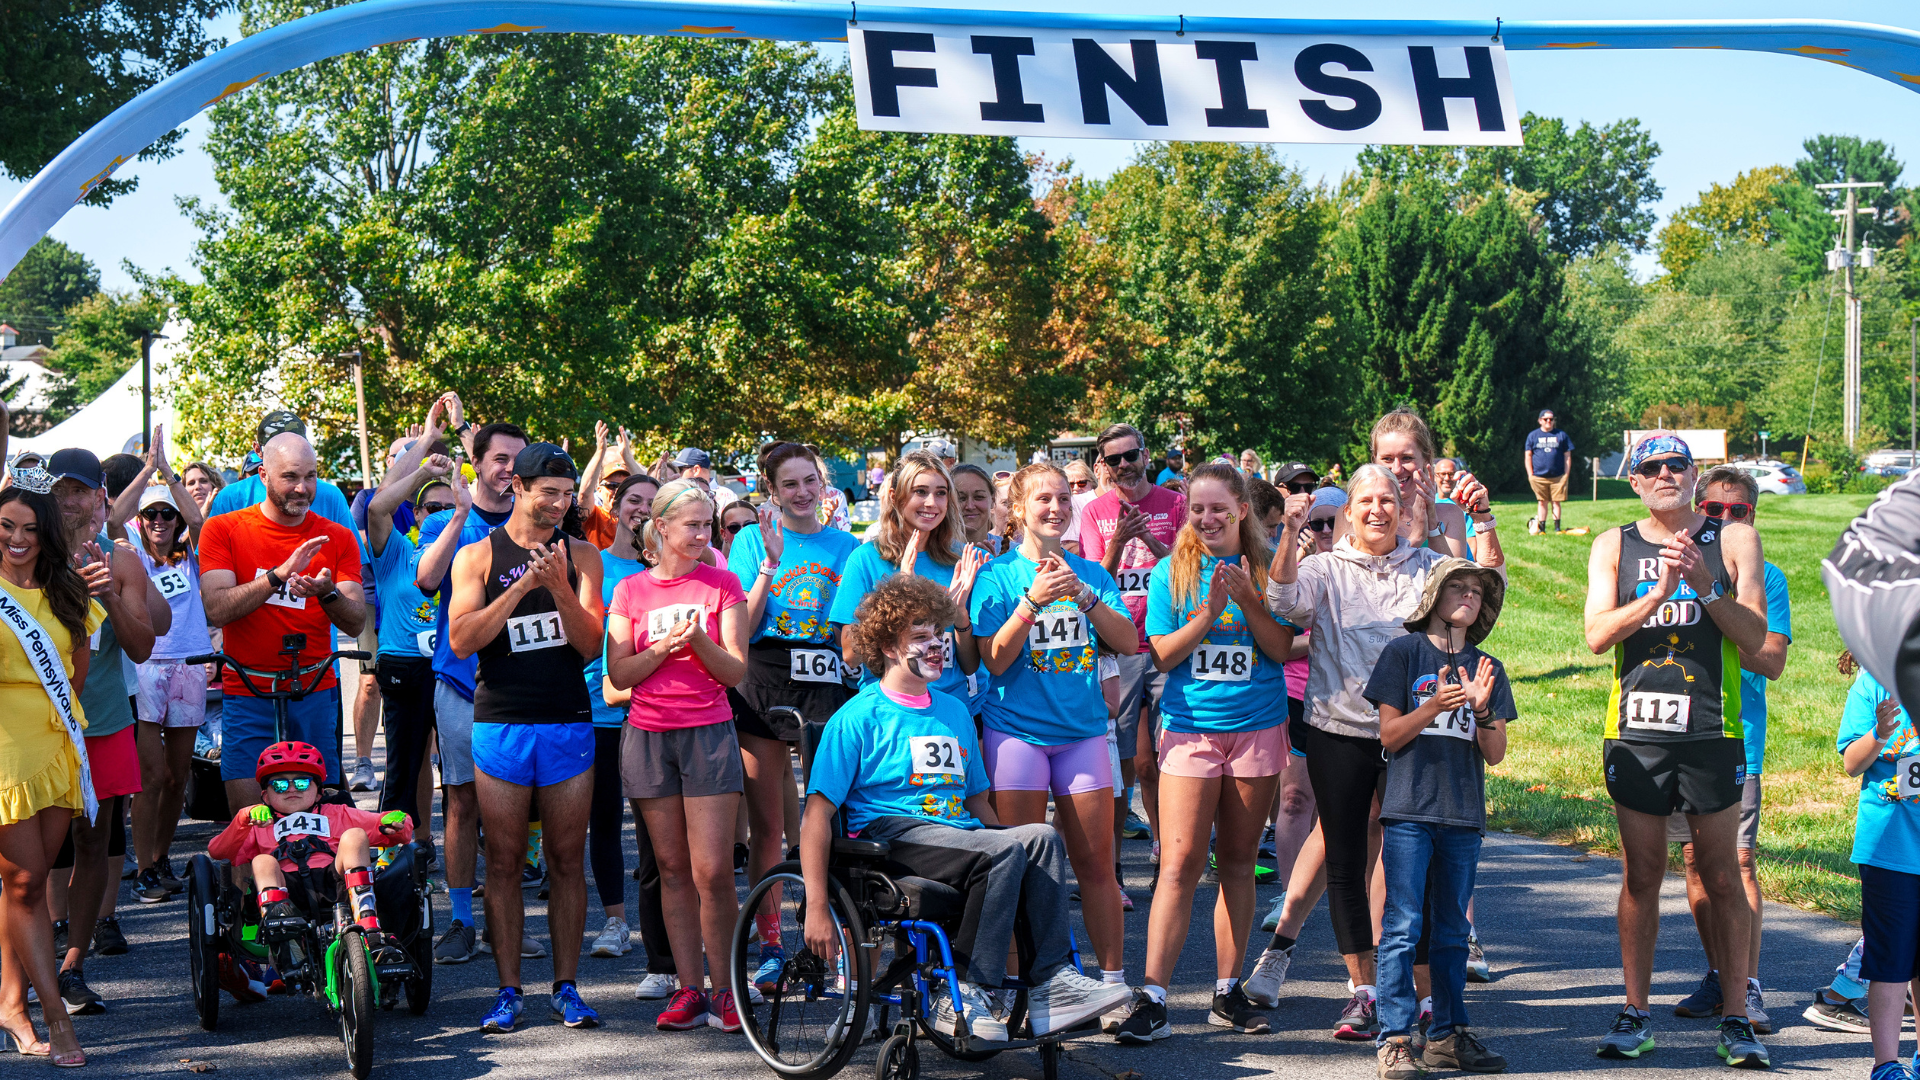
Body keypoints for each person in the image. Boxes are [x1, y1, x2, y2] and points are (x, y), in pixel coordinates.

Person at [803, 574, 1134, 1041]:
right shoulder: (858, 717)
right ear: (890, 648)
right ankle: (969, 988)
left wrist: (1014, 843)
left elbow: (979, 801)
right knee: (1000, 851)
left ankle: (1052, 985)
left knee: (1038, 837)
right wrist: (817, 904)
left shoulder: (955, 711)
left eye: (940, 633)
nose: (937, 645)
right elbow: (816, 814)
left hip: (958, 833)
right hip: (892, 835)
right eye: (921, 637)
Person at [1264, 463, 1503, 1041]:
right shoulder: (1322, 566)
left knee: (1411, 871)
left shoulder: (1427, 568)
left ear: (1403, 508)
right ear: (1348, 508)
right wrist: (1289, 534)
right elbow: (1283, 600)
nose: (1377, 510)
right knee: (1346, 862)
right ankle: (1363, 992)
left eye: (1388, 501)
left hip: (1413, 735)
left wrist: (1480, 518)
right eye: (1365, 500)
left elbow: (1485, 588)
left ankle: (1420, 998)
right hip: (1338, 730)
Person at [1583, 433, 1769, 1067]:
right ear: (1633, 481)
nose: (1665, 474)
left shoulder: (1733, 539)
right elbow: (1596, 636)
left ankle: (1738, 1016)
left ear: (1694, 476)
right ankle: (1636, 1010)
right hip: (1636, 734)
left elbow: (1756, 639)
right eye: (1651, 467)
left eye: (1677, 465)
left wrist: (1705, 586)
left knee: (1721, 875)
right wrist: (1658, 595)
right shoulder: (1615, 544)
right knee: (1641, 875)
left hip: (1712, 732)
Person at [1119, 464, 1294, 1042]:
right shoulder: (1173, 571)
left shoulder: (1268, 569)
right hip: (1192, 731)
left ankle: (1227, 991)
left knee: (1239, 862)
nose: (1208, 518)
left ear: (1242, 509)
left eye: (1220, 508)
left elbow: (1280, 648)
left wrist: (1250, 601)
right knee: (1181, 862)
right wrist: (1209, 611)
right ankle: (1152, 995)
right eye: (1198, 509)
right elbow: (1164, 655)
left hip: (1257, 729)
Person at [445, 443, 604, 1033]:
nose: (561, 505)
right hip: (501, 720)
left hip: (566, 718)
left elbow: (592, 645)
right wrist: (517, 588)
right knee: (505, 860)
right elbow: (463, 640)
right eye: (549, 494)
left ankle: (566, 987)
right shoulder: (477, 557)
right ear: (517, 486)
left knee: (566, 859)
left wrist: (559, 584)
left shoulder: (583, 554)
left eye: (567, 495)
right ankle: (508, 990)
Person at [971, 462, 1135, 1004]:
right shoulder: (996, 576)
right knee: (1017, 867)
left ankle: (1110, 987)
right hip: (1016, 736)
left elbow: (1128, 642)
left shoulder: (1093, 574)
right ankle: (1021, 988)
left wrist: (1086, 598)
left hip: (1083, 735)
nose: (1056, 508)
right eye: (1043, 499)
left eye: (1064, 498)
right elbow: (993, 662)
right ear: (1018, 508)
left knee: (1095, 866)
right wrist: (1031, 601)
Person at [606, 479, 750, 1032]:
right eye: (691, 524)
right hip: (648, 736)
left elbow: (734, 671)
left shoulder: (723, 583)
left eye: (707, 524)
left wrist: (699, 644)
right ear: (659, 527)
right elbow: (619, 674)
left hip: (708, 732)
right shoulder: (630, 591)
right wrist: (664, 647)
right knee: (670, 868)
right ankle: (690, 989)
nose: (702, 534)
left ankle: (728, 989)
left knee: (712, 870)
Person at [1367, 558, 1515, 1078]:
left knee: (1453, 929)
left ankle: (1448, 1034)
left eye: (1477, 591)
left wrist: (1479, 708)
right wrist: (1432, 706)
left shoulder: (1487, 665)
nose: (1470, 596)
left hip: (1462, 813)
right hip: (1408, 810)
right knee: (1403, 926)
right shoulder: (1403, 653)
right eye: (1459, 587)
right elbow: (1389, 736)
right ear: (1434, 596)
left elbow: (1494, 752)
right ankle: (1394, 1038)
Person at [725, 443, 861, 989]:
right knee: (770, 825)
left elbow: (853, 628)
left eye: (811, 481)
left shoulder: (849, 548)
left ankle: (827, 927)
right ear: (771, 490)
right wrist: (771, 566)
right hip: (765, 674)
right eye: (790, 485)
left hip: (828, 676)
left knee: (831, 812)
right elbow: (742, 627)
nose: (802, 493)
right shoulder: (751, 539)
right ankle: (772, 943)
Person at [1667, 467, 1790, 1033]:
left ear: (1753, 519)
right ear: (1698, 509)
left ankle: (1750, 986)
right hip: (1674, 735)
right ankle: (1721, 975)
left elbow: (1769, 660)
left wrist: (1716, 608)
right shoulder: (1663, 564)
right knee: (1695, 863)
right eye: (1713, 510)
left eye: (1737, 512)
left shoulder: (1769, 577)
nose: (1724, 520)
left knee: (1737, 863)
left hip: (1737, 737)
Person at [47, 447, 163, 1016]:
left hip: (105, 722)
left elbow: (142, 646)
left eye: (78, 490)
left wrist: (109, 595)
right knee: (39, 851)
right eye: (59, 489)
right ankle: (38, 951)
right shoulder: (23, 555)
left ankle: (73, 965)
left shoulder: (120, 558)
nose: (69, 501)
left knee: (94, 841)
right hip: (41, 727)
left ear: (99, 497)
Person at [201, 430, 366, 808]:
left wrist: (327, 593)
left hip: (313, 691)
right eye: (290, 477)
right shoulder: (224, 529)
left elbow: (355, 622)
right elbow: (216, 608)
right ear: (263, 475)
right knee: (250, 826)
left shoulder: (336, 537)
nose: (302, 488)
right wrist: (278, 575)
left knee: (321, 822)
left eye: (311, 476)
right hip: (247, 692)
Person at [0, 474, 103, 1066]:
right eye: (7, 526)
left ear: (47, 535)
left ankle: (10, 1002)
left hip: (57, 748)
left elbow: (75, 671)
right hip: (4, 752)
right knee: (24, 881)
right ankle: (57, 1019)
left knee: (27, 883)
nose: (18, 539)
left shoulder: (66, 591)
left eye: (31, 529)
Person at [416, 420, 528, 964]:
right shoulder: (445, 519)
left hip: (520, 687)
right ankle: (460, 920)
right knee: (461, 802)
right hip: (461, 684)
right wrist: (460, 513)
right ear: (477, 463)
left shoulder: (537, 526)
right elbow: (425, 580)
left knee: (515, 809)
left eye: (518, 460)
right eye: (500, 459)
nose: (510, 469)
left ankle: (507, 921)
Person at [108, 430, 212, 906]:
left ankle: (161, 856)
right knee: (149, 776)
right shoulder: (127, 551)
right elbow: (111, 516)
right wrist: (146, 470)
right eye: (151, 514)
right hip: (146, 667)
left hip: (189, 667)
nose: (160, 521)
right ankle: (144, 864)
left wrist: (169, 475)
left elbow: (196, 515)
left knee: (177, 776)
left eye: (165, 513)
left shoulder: (189, 551)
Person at [1080, 424, 1185, 888]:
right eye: (1114, 459)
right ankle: (1115, 868)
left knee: (1170, 756)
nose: (1124, 465)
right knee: (1121, 763)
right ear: (1103, 464)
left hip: (1166, 643)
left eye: (1130, 455)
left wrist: (1154, 543)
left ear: (1145, 455)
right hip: (1117, 648)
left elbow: (1187, 570)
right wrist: (1120, 541)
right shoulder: (1094, 512)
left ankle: (1168, 854)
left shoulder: (1175, 505)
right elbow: (1092, 583)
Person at [580, 473, 667, 974]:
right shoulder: (596, 564)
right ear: (615, 505)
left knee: (658, 833)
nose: (642, 510)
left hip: (657, 715)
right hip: (596, 712)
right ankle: (615, 920)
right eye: (634, 500)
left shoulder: (678, 572)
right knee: (605, 819)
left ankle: (666, 931)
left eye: (653, 504)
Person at [208, 742, 414, 945]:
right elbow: (218, 851)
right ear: (265, 796)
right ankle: (283, 936)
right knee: (262, 861)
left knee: (355, 835)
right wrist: (242, 819)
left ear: (318, 792)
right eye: (279, 785)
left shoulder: (338, 813)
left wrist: (398, 822)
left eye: (302, 783)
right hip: (285, 889)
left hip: (336, 882)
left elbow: (395, 831)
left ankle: (368, 921)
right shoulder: (257, 823)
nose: (291, 789)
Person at [827, 450, 985, 713]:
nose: (932, 503)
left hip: (951, 709)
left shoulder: (962, 559)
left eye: (941, 492)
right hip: (887, 710)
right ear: (894, 497)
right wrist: (899, 590)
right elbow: (850, 655)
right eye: (920, 491)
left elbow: (970, 665)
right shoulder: (865, 559)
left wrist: (959, 615)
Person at [364, 453, 455, 871]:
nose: (441, 514)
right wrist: (425, 466)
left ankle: (460, 850)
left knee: (459, 765)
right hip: (404, 665)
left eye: (450, 508)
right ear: (417, 513)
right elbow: (377, 507)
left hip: (454, 666)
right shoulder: (396, 550)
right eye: (432, 507)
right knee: (406, 760)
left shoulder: (467, 553)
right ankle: (392, 851)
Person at [1836, 665, 1920, 1080]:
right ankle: (1886, 1063)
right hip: (1890, 848)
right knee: (1891, 958)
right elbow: (1851, 762)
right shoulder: (1874, 681)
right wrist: (1881, 733)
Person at [1369, 408, 1498, 565]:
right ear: (1374, 460)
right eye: (1387, 459)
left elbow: (1453, 580)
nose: (1396, 469)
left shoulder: (1449, 515)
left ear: (1426, 458)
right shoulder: (1354, 515)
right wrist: (1416, 537)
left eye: (1407, 458)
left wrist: (1432, 524)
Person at [578, 421, 643, 550]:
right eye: (611, 486)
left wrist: (628, 458)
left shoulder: (638, 517)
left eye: (623, 486)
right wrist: (600, 451)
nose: (618, 490)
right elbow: (584, 494)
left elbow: (648, 491)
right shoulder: (595, 516)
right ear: (599, 489)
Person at [1524, 409, 1574, 535]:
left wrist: (1566, 474)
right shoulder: (1533, 436)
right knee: (1542, 502)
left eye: (1551, 419)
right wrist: (1530, 474)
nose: (1549, 422)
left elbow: (1567, 456)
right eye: (1546, 419)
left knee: (1556, 502)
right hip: (1539, 477)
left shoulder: (1561, 435)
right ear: (1540, 421)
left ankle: (1557, 528)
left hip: (1558, 476)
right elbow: (1528, 455)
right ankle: (1542, 528)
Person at [951, 463, 999, 557]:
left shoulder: (1013, 553)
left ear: (993, 500)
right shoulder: (932, 553)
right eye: (961, 498)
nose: (970, 506)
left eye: (979, 497)